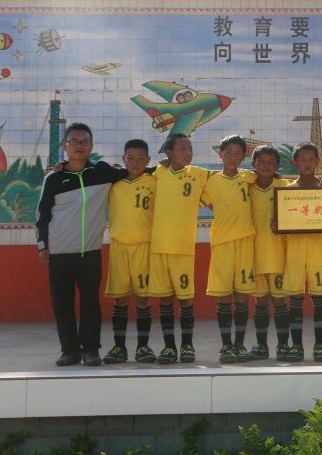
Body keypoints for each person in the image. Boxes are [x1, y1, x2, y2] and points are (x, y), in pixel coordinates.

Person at [35, 122, 128, 367]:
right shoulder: (53, 178)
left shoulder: (101, 172)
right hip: (59, 253)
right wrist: (43, 246)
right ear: (65, 145)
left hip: (90, 252)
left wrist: (162, 166)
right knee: (62, 304)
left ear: (91, 146)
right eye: (74, 142)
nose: (79, 146)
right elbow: (42, 215)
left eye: (84, 142)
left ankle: (90, 350)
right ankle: (69, 351)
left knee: (90, 303)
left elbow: (134, 169)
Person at [148, 133, 212, 364]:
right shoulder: (158, 172)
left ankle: (187, 346)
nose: (188, 152)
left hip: (183, 248)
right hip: (159, 247)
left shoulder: (199, 174)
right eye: (182, 148)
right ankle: (169, 348)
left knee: (185, 299)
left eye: (190, 148)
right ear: (169, 153)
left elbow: (225, 180)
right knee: (165, 299)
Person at [203, 135, 258, 363]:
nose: (233, 157)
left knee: (242, 295)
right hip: (222, 243)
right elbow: (208, 202)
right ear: (220, 154)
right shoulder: (210, 181)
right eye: (228, 152)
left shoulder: (250, 177)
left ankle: (240, 345)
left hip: (245, 241)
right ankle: (226, 346)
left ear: (244, 156)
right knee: (224, 295)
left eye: (238, 153)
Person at [103, 139, 158, 364]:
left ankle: (143, 347)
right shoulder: (113, 184)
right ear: (123, 159)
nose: (135, 162)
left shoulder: (155, 181)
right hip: (119, 246)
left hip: (144, 246)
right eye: (130, 158)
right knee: (120, 299)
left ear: (148, 160)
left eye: (140, 158)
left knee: (143, 298)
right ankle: (119, 347)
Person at [280, 142, 322, 362]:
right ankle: (297, 346)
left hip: (317, 246)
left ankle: (320, 346)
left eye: (311, 159)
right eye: (302, 159)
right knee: (296, 297)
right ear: (295, 163)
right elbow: (279, 219)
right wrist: (276, 224)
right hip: (294, 247)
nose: (307, 163)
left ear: (318, 162)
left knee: (319, 296)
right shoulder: (287, 191)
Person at [247, 145, 292, 360]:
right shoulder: (246, 187)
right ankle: (261, 345)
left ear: (277, 166)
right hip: (254, 255)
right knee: (261, 301)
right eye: (261, 162)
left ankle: (283, 345)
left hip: (279, 254)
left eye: (271, 162)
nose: (266, 166)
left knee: (280, 301)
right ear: (253, 164)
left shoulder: (285, 187)